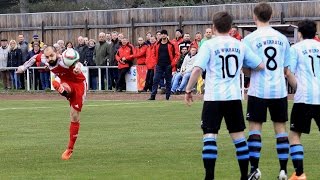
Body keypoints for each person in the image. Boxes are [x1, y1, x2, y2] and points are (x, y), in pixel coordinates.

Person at [184, 11, 264, 180]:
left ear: (213, 27)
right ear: (230, 28)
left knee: (210, 136)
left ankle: (210, 177)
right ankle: (244, 176)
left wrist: (188, 89)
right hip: (233, 97)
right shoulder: (240, 45)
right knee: (239, 138)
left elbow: (198, 68)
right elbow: (259, 65)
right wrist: (245, 69)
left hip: (214, 97)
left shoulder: (209, 45)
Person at [242, 3, 291, 180]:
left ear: (255, 16)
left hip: (258, 91)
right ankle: (283, 170)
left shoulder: (249, 40)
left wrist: (250, 70)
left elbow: (246, 69)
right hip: (279, 90)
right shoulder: (282, 39)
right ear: (271, 16)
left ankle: (255, 169)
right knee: (281, 129)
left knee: (255, 130)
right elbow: (286, 68)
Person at [16, 47, 87, 161]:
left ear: (57, 53)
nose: (49, 58)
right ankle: (65, 92)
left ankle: (70, 148)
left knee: (74, 117)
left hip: (79, 84)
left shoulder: (64, 60)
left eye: (52, 56)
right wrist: (23, 67)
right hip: (66, 82)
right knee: (59, 84)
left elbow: (78, 63)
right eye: (47, 57)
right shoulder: (45, 59)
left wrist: (77, 69)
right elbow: (35, 57)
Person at [285, 20, 319, 180]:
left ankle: (299, 174)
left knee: (294, 135)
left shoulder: (296, 48)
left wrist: (298, 88)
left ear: (299, 33)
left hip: (304, 98)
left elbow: (288, 72)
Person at [148, 29, 180, 100]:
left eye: (164, 34)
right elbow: (153, 54)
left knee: (168, 81)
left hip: (168, 65)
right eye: (162, 34)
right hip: (159, 65)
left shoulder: (171, 44)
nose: (163, 35)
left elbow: (177, 55)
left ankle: (167, 97)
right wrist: (155, 63)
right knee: (155, 80)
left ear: (167, 35)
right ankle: (153, 96)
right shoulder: (157, 44)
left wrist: (172, 65)